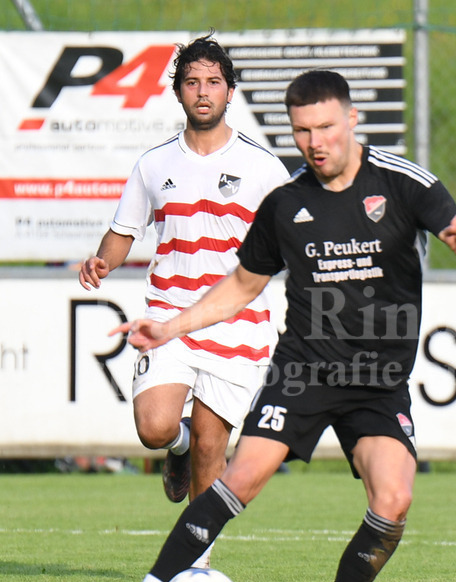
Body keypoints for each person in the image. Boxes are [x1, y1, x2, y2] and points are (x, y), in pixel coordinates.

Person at [93, 70, 456, 582]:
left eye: (326, 127)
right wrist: (170, 327)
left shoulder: (404, 183)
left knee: (394, 500)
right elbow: (241, 285)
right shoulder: (286, 203)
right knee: (240, 478)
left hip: (379, 381)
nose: (315, 142)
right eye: (303, 131)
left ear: (351, 120)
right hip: (303, 371)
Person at [78, 34, 289, 547]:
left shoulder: (264, 168)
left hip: (236, 325)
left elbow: (292, 237)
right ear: (178, 93)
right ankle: (176, 447)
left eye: (213, 82)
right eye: (192, 82)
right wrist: (103, 260)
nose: (202, 91)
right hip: (169, 316)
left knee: (211, 452)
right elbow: (124, 231)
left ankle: (198, 569)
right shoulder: (154, 165)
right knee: (154, 428)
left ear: (230, 92)